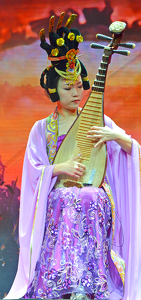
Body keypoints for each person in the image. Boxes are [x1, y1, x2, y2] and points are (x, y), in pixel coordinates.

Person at [5, 13, 141, 300]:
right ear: (54, 89)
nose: (76, 93)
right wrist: (59, 167)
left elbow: (132, 148)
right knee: (68, 198)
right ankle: (59, 282)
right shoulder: (42, 129)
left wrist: (115, 136)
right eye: (69, 88)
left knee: (91, 198)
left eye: (79, 85)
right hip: (58, 195)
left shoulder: (98, 120)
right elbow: (33, 171)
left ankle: (88, 284)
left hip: (92, 193)